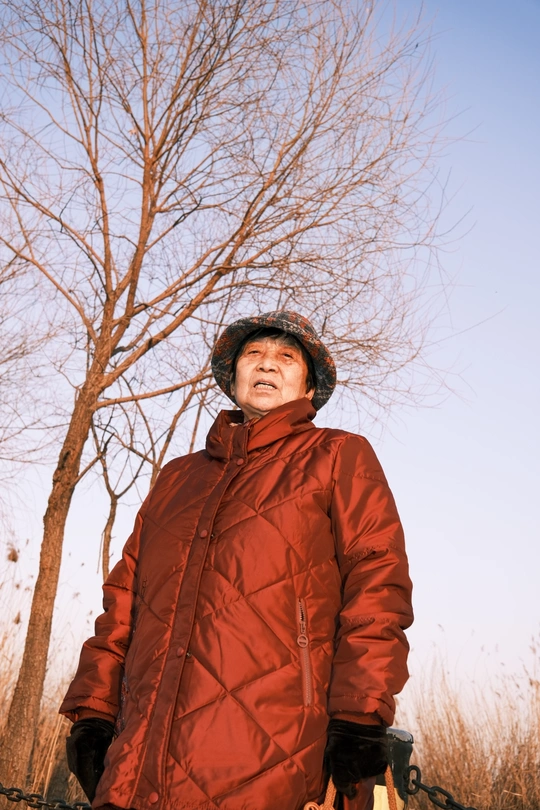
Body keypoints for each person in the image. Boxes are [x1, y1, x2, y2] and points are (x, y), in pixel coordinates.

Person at [60, 310, 413, 810]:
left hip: (275, 754)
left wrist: (360, 715)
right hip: (138, 758)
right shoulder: (177, 478)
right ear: (232, 378)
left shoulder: (338, 454)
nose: (267, 364)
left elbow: (377, 583)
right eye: (253, 354)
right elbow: (123, 600)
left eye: (286, 357)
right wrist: (94, 712)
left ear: (309, 388)